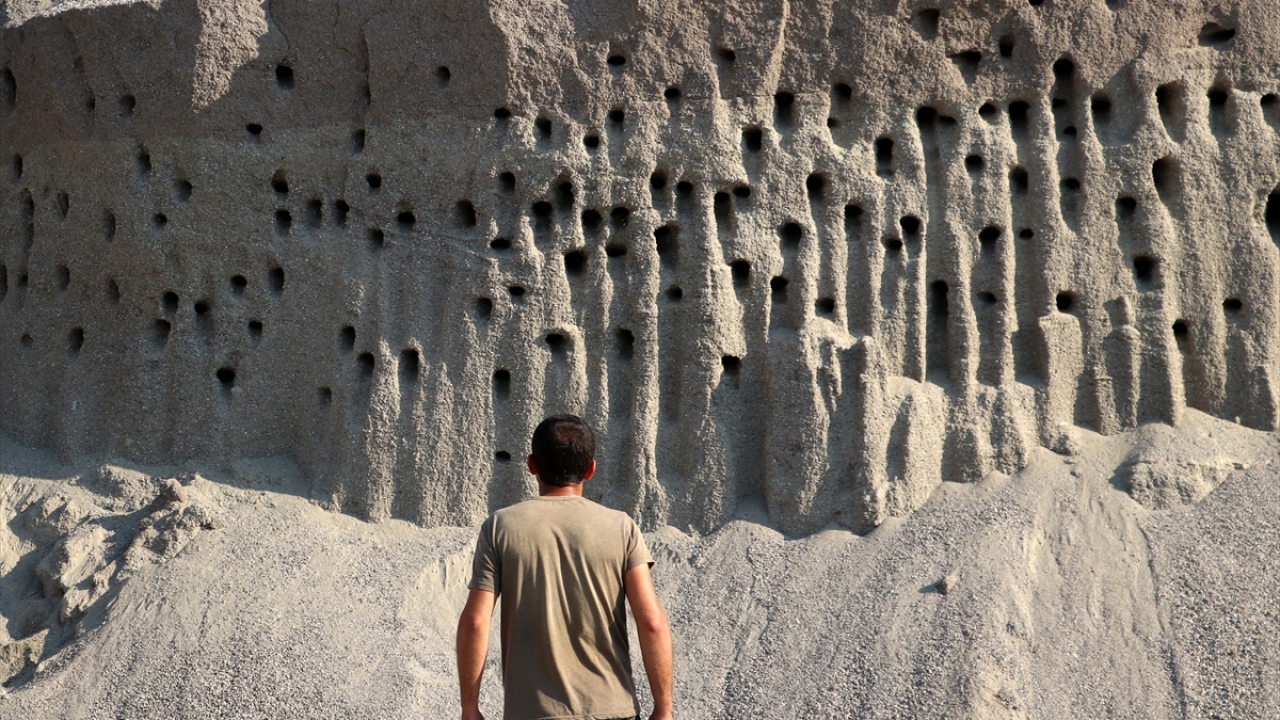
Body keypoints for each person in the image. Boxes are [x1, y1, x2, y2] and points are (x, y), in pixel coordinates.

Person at [456, 414, 674, 720]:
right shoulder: (621, 528)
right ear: (590, 469)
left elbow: (475, 622)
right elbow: (651, 622)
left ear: (531, 465)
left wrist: (469, 708)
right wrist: (663, 708)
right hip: (613, 710)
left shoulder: (499, 527)